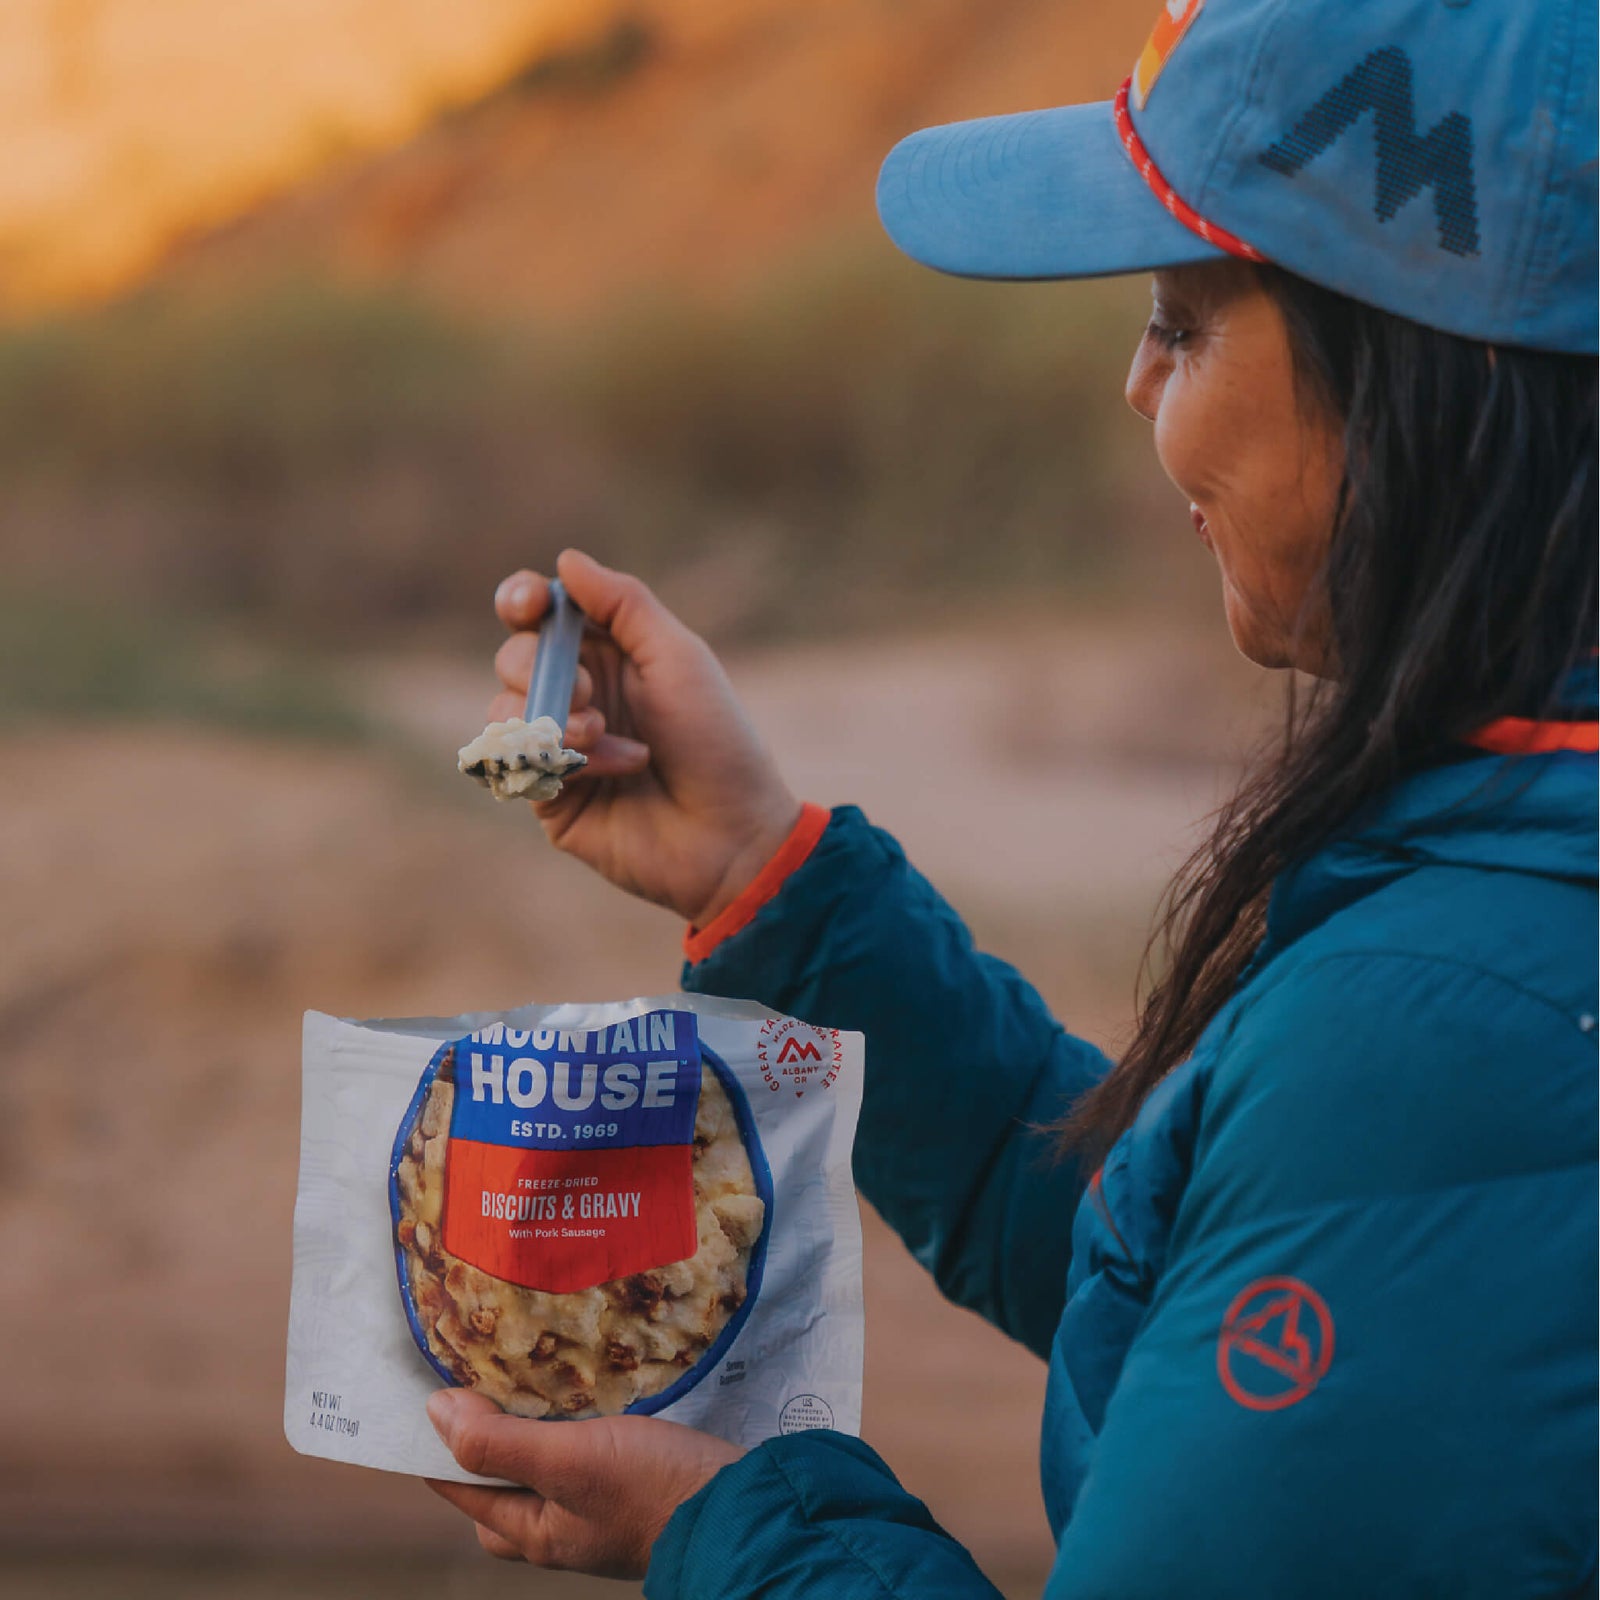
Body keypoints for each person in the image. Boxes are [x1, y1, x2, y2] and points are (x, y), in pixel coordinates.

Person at [421, 0, 1598, 1592]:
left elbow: (1357, 1199)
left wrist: (733, 1526)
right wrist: (765, 876)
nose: (1134, 383)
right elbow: (1220, 1266)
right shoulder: (1498, 946)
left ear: (1413, 390)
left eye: (1184, 323)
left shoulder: (1441, 1033)